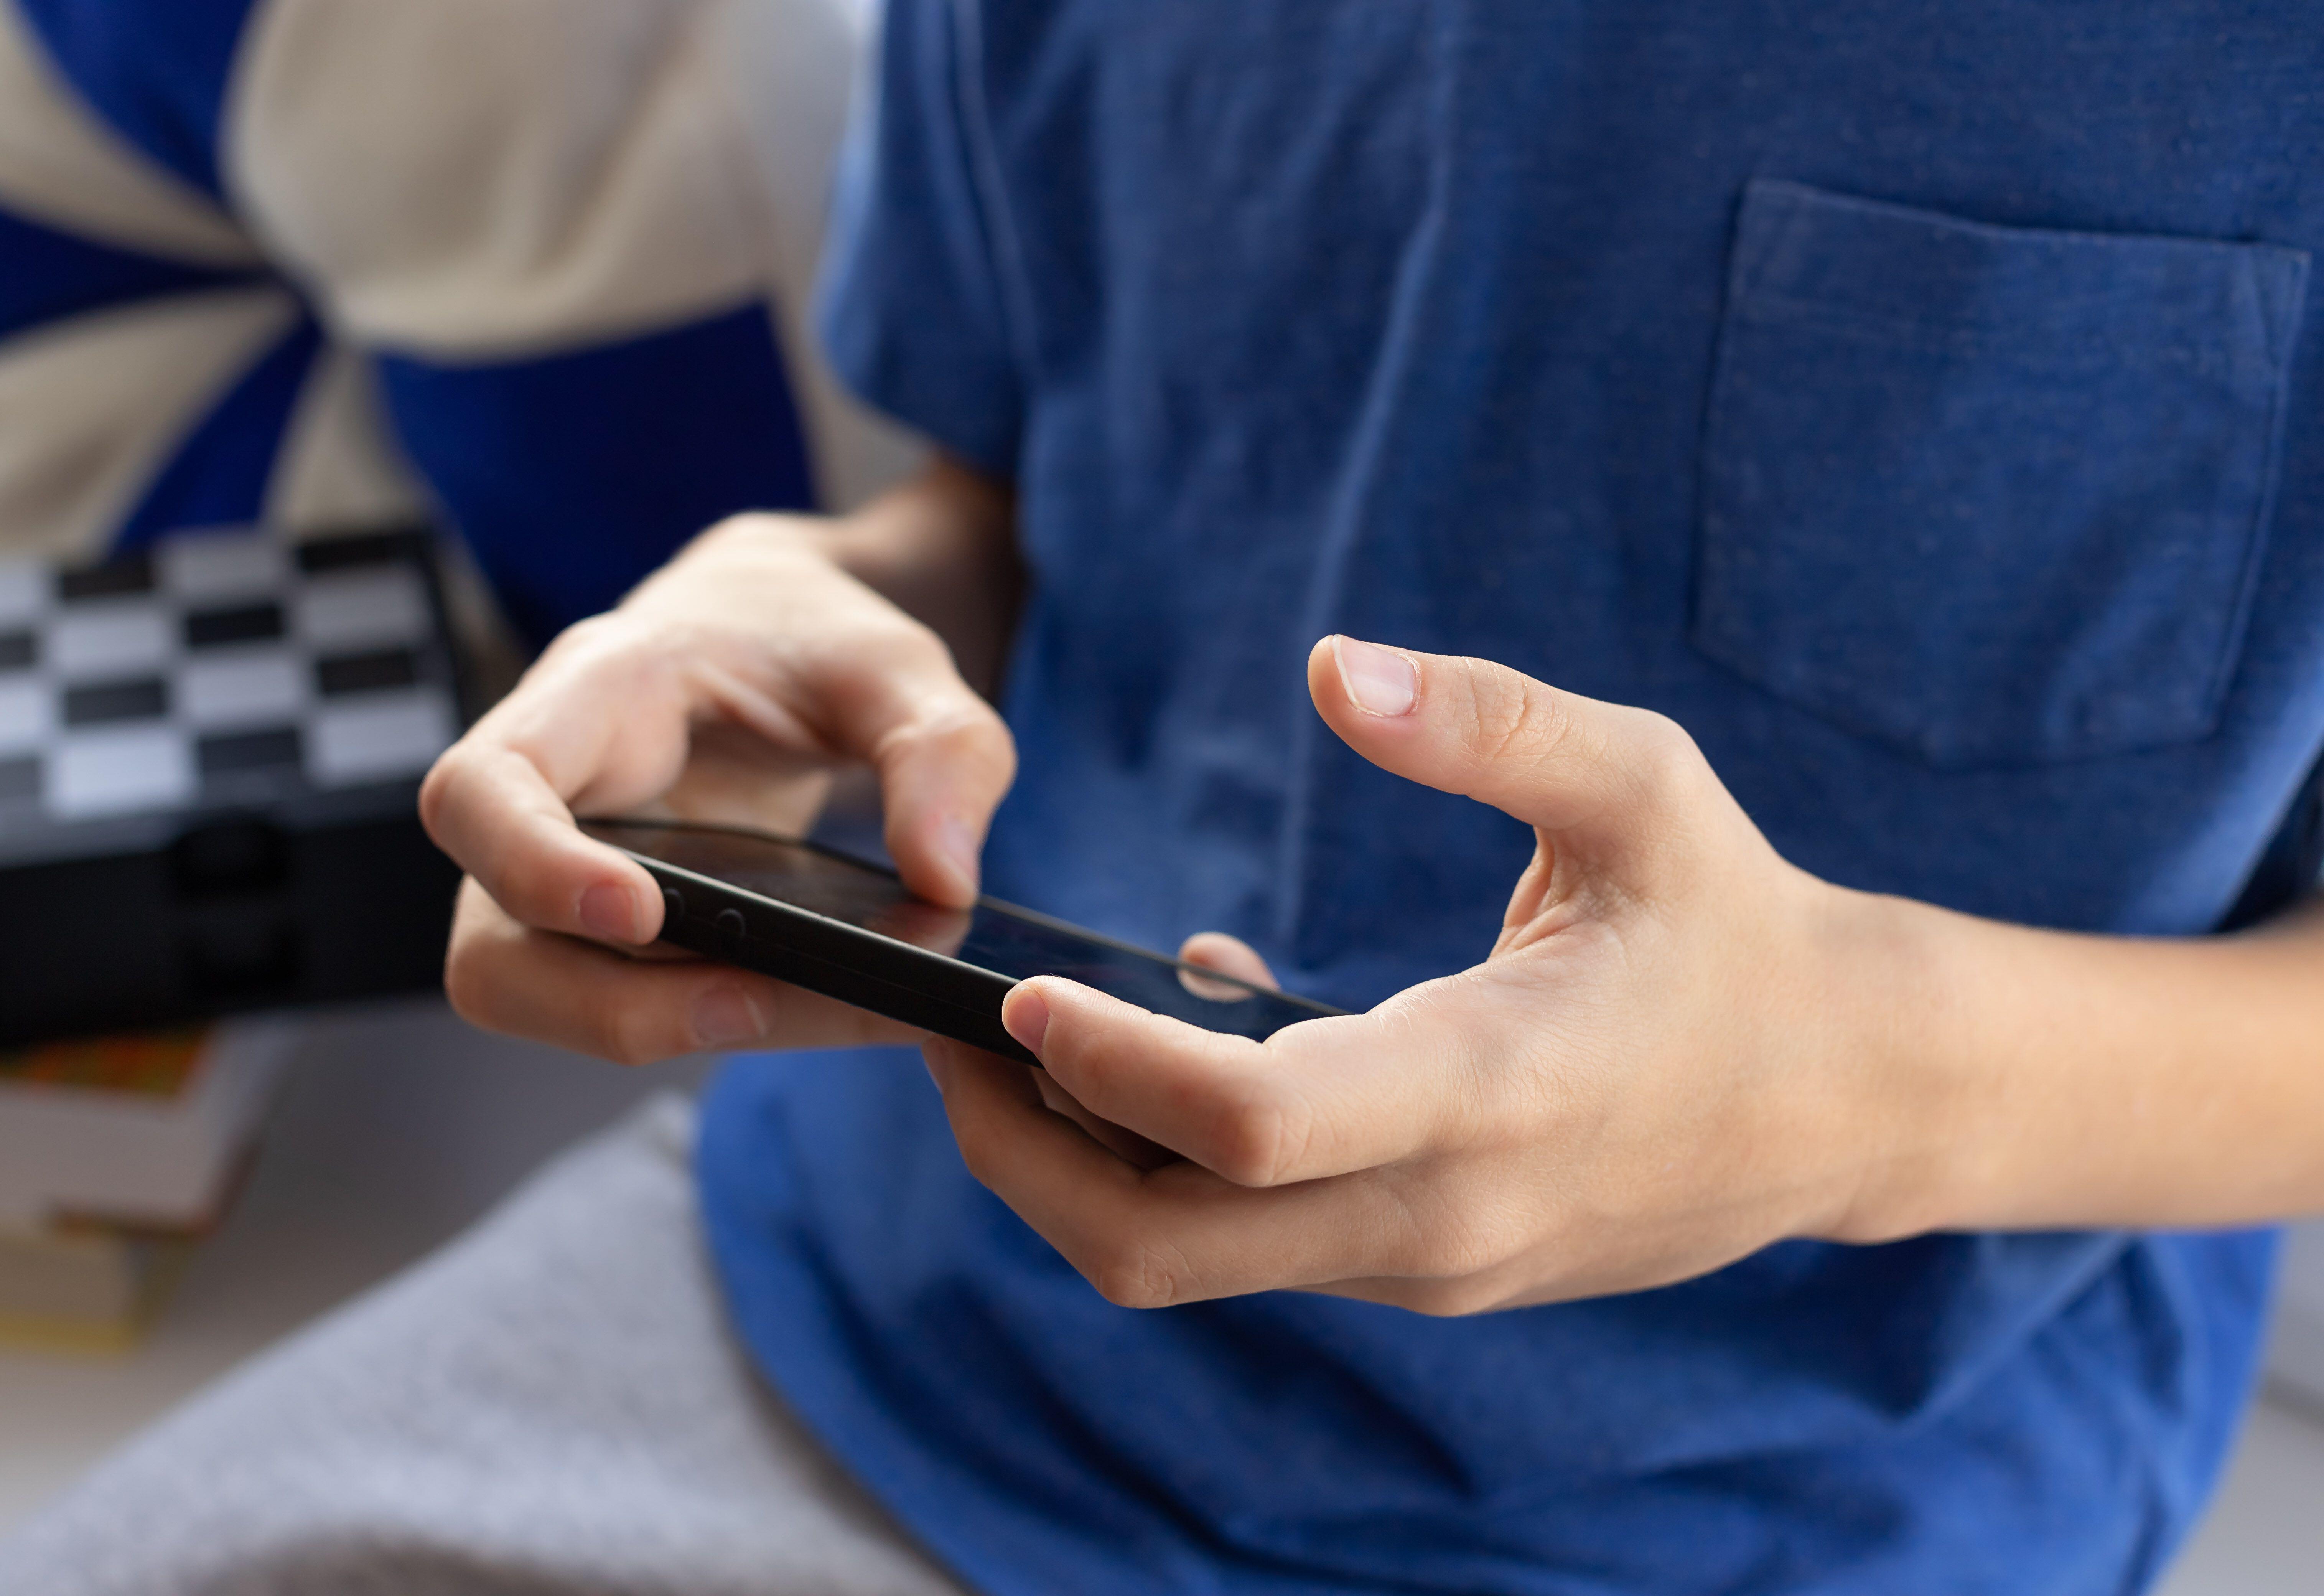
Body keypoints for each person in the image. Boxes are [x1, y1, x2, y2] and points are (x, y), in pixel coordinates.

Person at [9, 2, 2324, 1593]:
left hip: (1802, 1500)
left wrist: (1849, 1094)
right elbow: (997, 507)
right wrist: (809, 610)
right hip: (866, 1278)